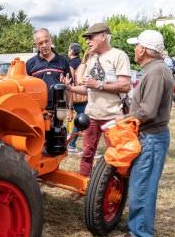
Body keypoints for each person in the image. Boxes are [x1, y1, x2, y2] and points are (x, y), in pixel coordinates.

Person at [112, 30, 174, 237]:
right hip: (149, 136)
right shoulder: (154, 69)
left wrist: (122, 121)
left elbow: (147, 111)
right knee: (140, 183)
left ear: (146, 50)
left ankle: (140, 233)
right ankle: (138, 224)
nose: (135, 49)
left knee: (143, 185)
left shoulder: (156, 72)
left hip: (152, 137)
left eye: (137, 45)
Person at [65, 23, 131, 179]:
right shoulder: (92, 58)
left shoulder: (119, 55)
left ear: (103, 36)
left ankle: (114, 189)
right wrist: (71, 88)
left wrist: (99, 85)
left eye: (90, 37)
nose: (87, 41)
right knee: (87, 153)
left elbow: (125, 85)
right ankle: (84, 186)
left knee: (115, 155)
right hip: (92, 115)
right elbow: (87, 88)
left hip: (113, 117)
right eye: (87, 38)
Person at [26, 28, 73, 111]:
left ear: (51, 40)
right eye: (40, 43)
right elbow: (26, 91)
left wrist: (70, 108)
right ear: (36, 45)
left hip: (60, 109)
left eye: (46, 41)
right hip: (38, 110)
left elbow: (69, 87)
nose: (44, 45)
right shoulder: (30, 63)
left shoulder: (63, 60)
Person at [67, 43, 87, 154]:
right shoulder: (82, 63)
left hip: (75, 95)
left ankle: (71, 144)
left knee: (80, 120)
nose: (68, 51)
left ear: (72, 51)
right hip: (83, 95)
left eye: (69, 49)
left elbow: (69, 82)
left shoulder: (70, 64)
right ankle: (71, 144)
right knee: (81, 120)